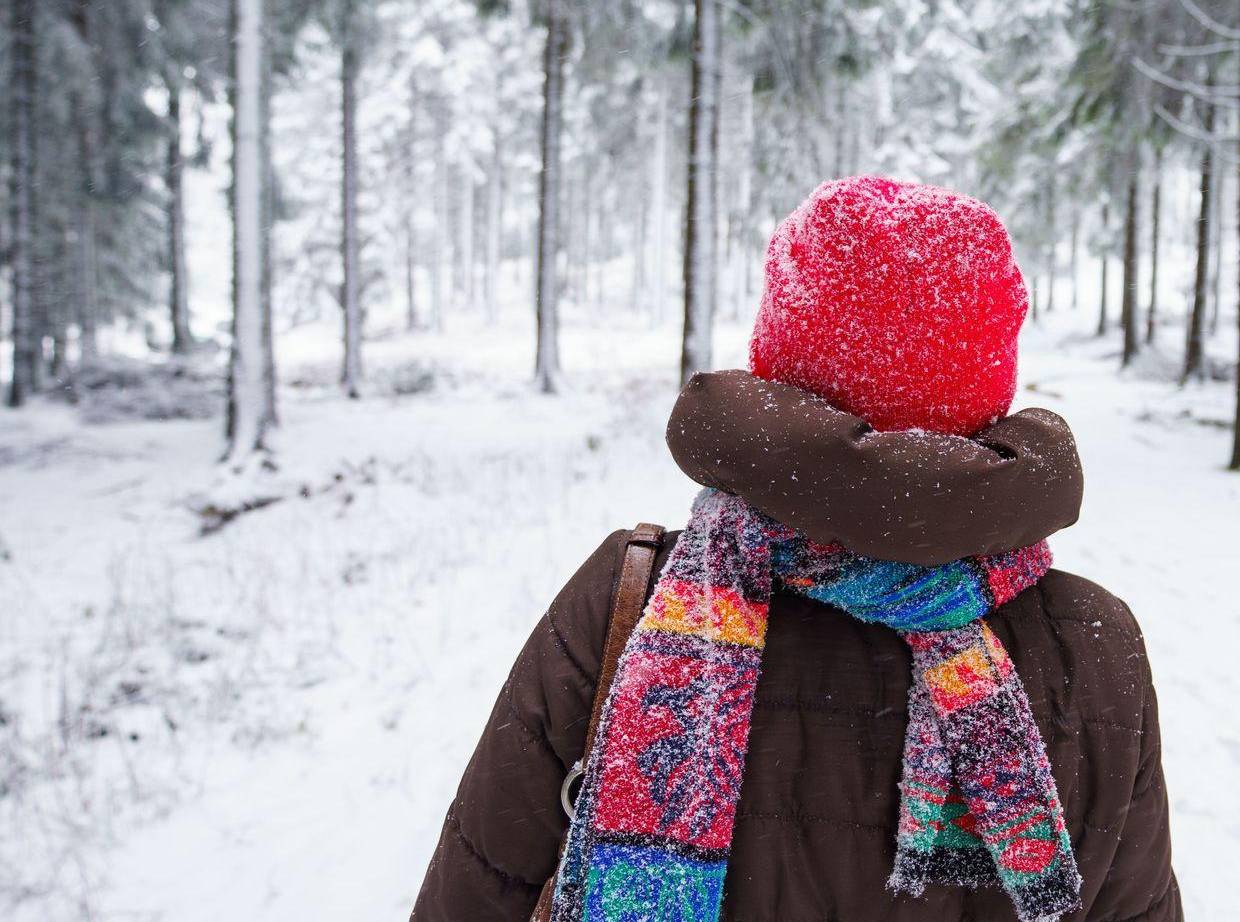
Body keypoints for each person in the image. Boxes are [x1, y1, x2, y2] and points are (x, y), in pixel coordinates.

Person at [412, 175, 1180, 922]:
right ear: (989, 384)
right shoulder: (1096, 644)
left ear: (780, 370)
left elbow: (479, 889)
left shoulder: (632, 597)